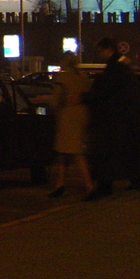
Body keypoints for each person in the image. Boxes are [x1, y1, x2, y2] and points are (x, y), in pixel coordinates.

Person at [83, 37, 140, 200]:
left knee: (107, 153)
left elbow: (106, 90)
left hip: (113, 118)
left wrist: (85, 97)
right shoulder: (122, 65)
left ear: (108, 50)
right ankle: (135, 179)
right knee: (126, 151)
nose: (99, 54)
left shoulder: (115, 67)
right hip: (124, 116)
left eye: (100, 51)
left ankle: (105, 185)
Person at [45, 53, 92, 197]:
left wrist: (43, 101)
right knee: (66, 153)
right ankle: (60, 184)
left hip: (67, 117)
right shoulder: (83, 77)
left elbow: (56, 99)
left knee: (75, 152)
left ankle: (89, 185)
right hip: (81, 115)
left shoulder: (63, 78)